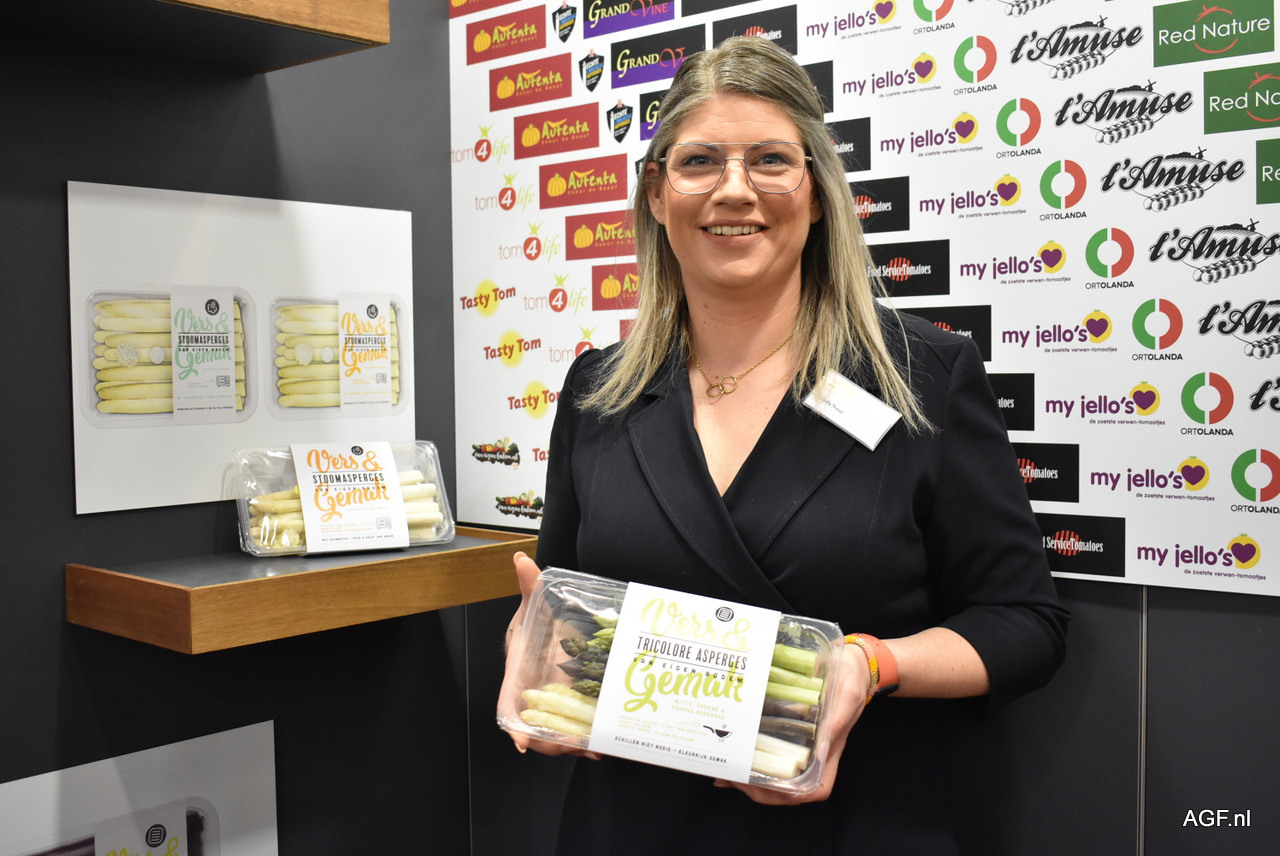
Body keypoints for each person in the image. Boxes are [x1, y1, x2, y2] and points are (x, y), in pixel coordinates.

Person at [498, 35, 1068, 855]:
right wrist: (538, 655)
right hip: (633, 825)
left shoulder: (923, 376)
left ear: (818, 192)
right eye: (699, 162)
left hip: (853, 822)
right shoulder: (599, 389)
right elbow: (565, 611)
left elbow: (1024, 623)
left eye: (770, 159)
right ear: (656, 194)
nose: (734, 190)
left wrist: (868, 664)